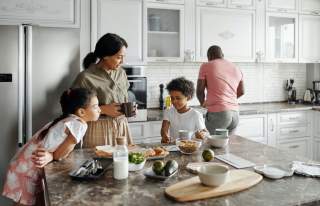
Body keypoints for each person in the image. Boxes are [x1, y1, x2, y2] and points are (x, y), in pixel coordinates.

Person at [2, 88, 101, 206]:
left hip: (22, 166)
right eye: (95, 106)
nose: (100, 110)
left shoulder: (68, 119)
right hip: (27, 170)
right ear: (81, 112)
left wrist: (51, 156)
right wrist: (52, 156)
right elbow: (60, 154)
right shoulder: (79, 125)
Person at [72, 33, 134, 147]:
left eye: (123, 57)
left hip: (122, 126)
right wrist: (103, 110)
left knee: (126, 162)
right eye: (119, 57)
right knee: (101, 163)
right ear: (105, 56)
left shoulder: (121, 73)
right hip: (97, 129)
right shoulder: (85, 77)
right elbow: (73, 111)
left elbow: (124, 96)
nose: (122, 62)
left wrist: (130, 108)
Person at [196, 45, 244, 135]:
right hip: (235, 114)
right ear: (222, 55)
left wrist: (203, 103)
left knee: (214, 146)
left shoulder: (206, 66)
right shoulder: (236, 67)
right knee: (227, 145)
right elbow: (242, 91)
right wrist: (227, 99)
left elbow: (199, 91)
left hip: (219, 113)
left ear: (209, 57)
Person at [161, 77, 208, 144]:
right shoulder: (169, 111)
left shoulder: (196, 115)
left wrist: (202, 135)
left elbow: (204, 132)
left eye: (178, 98)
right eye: (172, 98)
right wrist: (164, 135)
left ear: (188, 98)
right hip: (173, 147)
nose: (174, 101)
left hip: (190, 148)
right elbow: (164, 129)